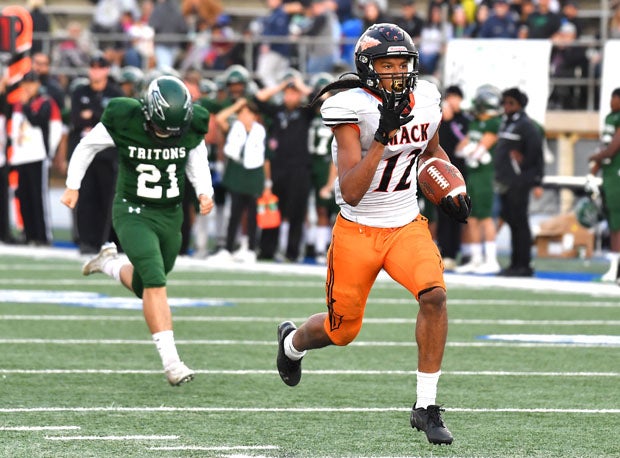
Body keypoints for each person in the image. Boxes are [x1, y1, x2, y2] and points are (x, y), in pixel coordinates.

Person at [276, 23, 471, 446]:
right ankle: (292, 343)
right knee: (341, 331)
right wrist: (383, 135)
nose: (397, 73)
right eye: (387, 65)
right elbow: (350, 188)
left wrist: (449, 186)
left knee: (434, 294)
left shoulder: (429, 98)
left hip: (405, 223)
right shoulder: (351, 107)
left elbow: (432, 152)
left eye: (403, 64)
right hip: (358, 230)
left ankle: (426, 405)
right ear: (368, 68)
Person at [60, 76, 214, 385]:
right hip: (133, 211)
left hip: (171, 214)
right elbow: (87, 146)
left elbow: (196, 154)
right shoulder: (126, 118)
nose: (166, 135)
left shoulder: (190, 125)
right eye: (160, 128)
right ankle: (172, 363)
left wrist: (204, 191)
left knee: (148, 284)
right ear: (148, 113)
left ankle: (109, 264)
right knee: (156, 282)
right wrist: (72, 185)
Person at [69, 53, 123, 254]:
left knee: (105, 199)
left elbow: (112, 122)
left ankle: (103, 241)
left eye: (100, 67)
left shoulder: (115, 93)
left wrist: (91, 115)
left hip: (106, 154)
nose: (95, 71)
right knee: (85, 199)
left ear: (107, 70)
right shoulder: (79, 91)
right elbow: (76, 118)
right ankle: (86, 241)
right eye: (92, 67)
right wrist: (97, 115)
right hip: (84, 154)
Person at [210, 97, 270, 263]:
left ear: (254, 115)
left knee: (252, 215)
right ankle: (228, 248)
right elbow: (220, 118)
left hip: (254, 175)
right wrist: (237, 105)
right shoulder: (234, 129)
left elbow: (266, 159)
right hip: (237, 174)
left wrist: (267, 182)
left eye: (247, 113)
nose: (244, 116)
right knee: (234, 214)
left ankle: (250, 248)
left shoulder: (260, 132)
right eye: (241, 113)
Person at [494, 87, 544, 277]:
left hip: (520, 181)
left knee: (520, 223)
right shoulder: (507, 123)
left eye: (511, 103)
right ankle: (515, 263)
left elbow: (536, 155)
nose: (506, 106)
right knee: (512, 222)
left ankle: (524, 264)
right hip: (507, 181)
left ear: (520, 105)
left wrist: (536, 180)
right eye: (505, 102)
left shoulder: (527, 126)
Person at [9, 70, 62, 246]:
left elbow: (39, 121)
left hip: (37, 155)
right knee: (23, 197)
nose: (28, 87)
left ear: (38, 85)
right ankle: (29, 233)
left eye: (32, 83)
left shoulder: (45, 102)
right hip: (21, 156)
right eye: (26, 83)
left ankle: (42, 236)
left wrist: (50, 152)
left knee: (38, 197)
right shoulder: (18, 104)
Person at [455, 84, 503, 274]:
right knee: (472, 217)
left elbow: (481, 149)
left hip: (486, 174)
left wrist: (472, 152)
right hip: (473, 174)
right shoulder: (475, 122)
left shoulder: (494, 123)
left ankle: (491, 260)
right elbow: (460, 148)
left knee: (485, 218)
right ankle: (476, 258)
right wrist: (469, 151)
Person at [588, 87, 620, 283]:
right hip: (609, 174)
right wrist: (593, 171)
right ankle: (615, 267)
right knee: (613, 223)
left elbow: (613, 149)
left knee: (617, 222)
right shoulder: (610, 118)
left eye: (615, 98)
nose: (611, 101)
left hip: (617, 173)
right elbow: (605, 147)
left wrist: (594, 157)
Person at [436, 85, 470, 270]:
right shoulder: (439, 120)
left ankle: (453, 252)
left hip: (459, 174)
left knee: (457, 212)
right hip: (441, 173)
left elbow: (462, 140)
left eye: (456, 98)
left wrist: (449, 122)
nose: (452, 101)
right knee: (441, 213)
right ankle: (442, 250)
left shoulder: (463, 120)